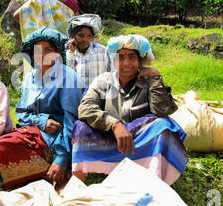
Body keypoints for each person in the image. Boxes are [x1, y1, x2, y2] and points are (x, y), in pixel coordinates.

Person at [72, 34, 188, 185]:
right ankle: (78, 184)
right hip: (109, 139)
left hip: (139, 143)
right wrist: (114, 125)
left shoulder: (149, 82)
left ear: (140, 61)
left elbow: (161, 111)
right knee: (80, 127)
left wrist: (154, 76)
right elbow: (86, 108)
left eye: (132, 57)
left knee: (162, 126)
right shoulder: (102, 80)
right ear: (114, 61)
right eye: (120, 58)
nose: (126, 63)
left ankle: (153, 184)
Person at [0, 28, 85, 192]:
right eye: (38, 50)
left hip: (59, 139)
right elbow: (22, 112)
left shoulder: (67, 77)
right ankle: (39, 176)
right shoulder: (30, 78)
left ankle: (55, 172)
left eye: (48, 49)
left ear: (58, 53)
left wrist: (62, 158)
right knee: (0, 144)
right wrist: (41, 121)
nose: (42, 54)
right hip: (36, 131)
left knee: (5, 145)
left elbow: (73, 120)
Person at [66, 14, 112, 86]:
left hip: (100, 95)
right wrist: (71, 53)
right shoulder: (69, 54)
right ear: (73, 36)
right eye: (81, 35)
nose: (85, 40)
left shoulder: (103, 51)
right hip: (79, 95)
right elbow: (68, 76)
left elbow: (113, 73)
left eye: (89, 36)